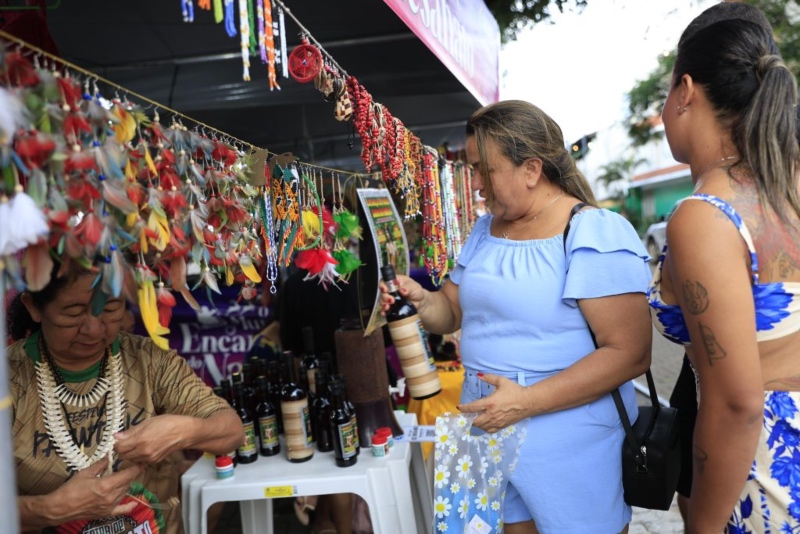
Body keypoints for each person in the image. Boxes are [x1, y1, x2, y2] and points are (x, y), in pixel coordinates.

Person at [380, 99, 653, 533]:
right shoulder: (484, 230)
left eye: (484, 171)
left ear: (531, 169)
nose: (476, 184)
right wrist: (418, 298)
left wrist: (523, 403)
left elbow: (630, 354)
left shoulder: (593, 230)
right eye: (472, 169)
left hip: (566, 440)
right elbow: (451, 313)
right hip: (480, 427)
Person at [650, 2, 800, 531]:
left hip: (766, 477)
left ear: (686, 90)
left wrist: (704, 526)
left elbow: (736, 405)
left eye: (666, 94)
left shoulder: (707, 215)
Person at [8, 264, 245, 534]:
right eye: (73, 313)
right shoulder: (10, 381)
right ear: (34, 307)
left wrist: (183, 431)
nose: (95, 329)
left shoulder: (149, 361)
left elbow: (232, 431)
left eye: (110, 309)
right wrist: (50, 509)